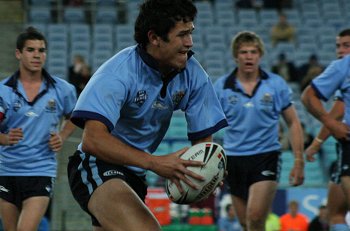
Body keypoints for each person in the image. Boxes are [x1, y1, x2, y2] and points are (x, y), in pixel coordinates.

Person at [66, 0, 228, 230]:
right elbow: (93, 140)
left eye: (190, 33)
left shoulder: (195, 76)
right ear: (154, 38)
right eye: (182, 35)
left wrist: (206, 172)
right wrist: (155, 163)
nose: (189, 43)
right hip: (96, 164)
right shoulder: (117, 73)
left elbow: (203, 142)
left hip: (136, 175)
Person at [213, 31, 304, 231]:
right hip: (233, 159)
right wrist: (211, 164)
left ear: (260, 55)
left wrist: (299, 160)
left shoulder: (275, 84)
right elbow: (207, 125)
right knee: (246, 223)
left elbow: (293, 123)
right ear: (236, 56)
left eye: (253, 52)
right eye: (243, 52)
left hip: (266, 156)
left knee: (254, 217)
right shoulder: (221, 87)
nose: (248, 56)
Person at [0, 26, 77, 231]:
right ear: (18, 53)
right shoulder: (3, 90)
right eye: (31, 50)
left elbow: (76, 117)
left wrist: (62, 136)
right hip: (6, 170)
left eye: (41, 50)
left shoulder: (63, 89)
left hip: (40, 170)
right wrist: (4, 139)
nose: (37, 55)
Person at [303, 28, 350, 231]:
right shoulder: (343, 70)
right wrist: (317, 142)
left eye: (346, 45)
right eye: (338, 46)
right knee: (335, 212)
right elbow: (336, 114)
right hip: (346, 145)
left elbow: (334, 114)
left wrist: (316, 143)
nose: (340, 50)